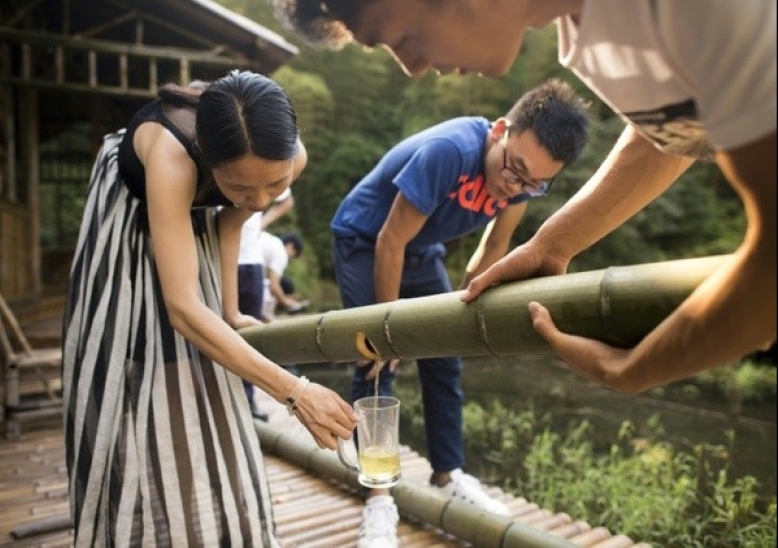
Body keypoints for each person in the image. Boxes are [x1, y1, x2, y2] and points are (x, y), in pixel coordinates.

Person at [273, 0, 777, 395]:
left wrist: (634, 369)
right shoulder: (588, 33)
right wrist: (554, 244)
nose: (412, 68)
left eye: (402, 38)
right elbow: (673, 130)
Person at [61, 69, 357, 546]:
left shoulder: (287, 156)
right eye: (241, 187)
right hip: (131, 218)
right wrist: (297, 392)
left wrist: (229, 310)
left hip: (192, 227)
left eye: (275, 186)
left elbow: (232, 225)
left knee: (208, 365)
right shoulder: (173, 154)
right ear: (208, 158)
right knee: (130, 369)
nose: (261, 202)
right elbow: (180, 307)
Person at [330, 79, 589, 547]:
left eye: (534, 183)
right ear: (499, 131)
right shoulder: (449, 151)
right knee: (375, 363)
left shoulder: (524, 184)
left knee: (446, 359)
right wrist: (390, 333)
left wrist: (472, 305)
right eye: (515, 171)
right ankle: (378, 497)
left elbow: (494, 246)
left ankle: (447, 474)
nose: (516, 187)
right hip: (366, 242)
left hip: (421, 250)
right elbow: (390, 240)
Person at [238, 188, 295, 422]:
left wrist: (261, 219)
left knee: (247, 337)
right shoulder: (279, 251)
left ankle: (247, 401)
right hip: (220, 259)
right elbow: (274, 286)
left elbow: (287, 198)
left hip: (249, 263)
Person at [261, 231, 310, 322]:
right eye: (293, 255)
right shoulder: (281, 252)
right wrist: (286, 302)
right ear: (290, 247)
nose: (290, 259)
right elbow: (274, 286)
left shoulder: (271, 243)